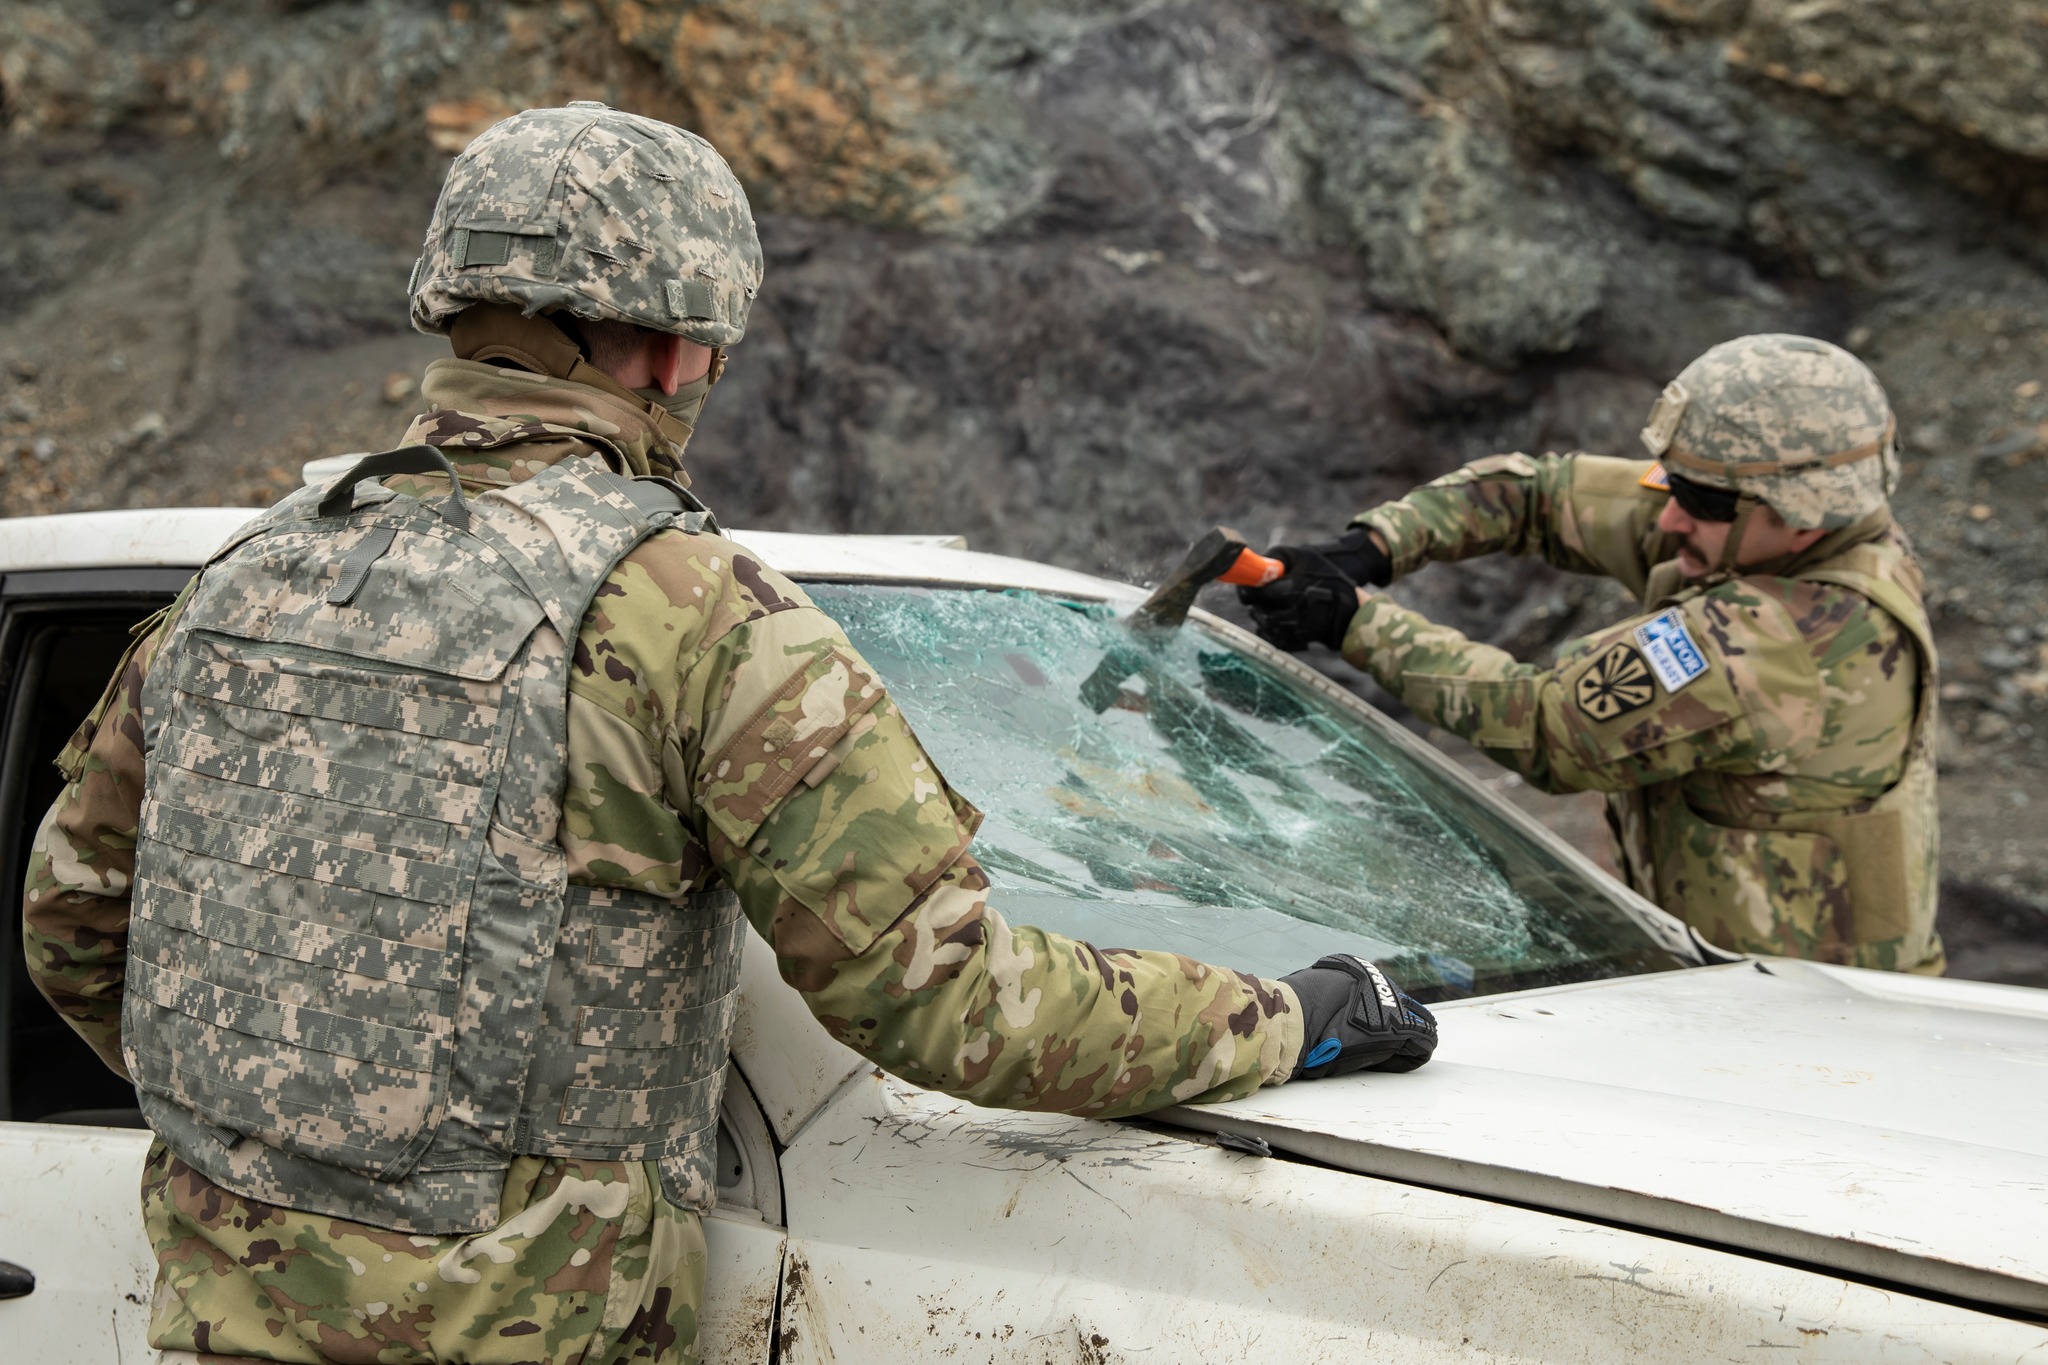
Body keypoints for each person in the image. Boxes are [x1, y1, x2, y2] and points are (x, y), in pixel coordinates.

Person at [21, 105, 1435, 1365]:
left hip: (225, 1317)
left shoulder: (248, 579)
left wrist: (289, 1118)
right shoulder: (687, 609)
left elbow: (75, 925)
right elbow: (956, 1005)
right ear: (682, 345)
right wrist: (1288, 1016)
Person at [1239, 333, 1943, 975]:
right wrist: (1376, 545)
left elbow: (1546, 724)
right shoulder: (1773, 525)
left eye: (1697, 497)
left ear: (1801, 514)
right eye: (1673, 484)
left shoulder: (1785, 641)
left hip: (1809, 1023)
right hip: (1730, 976)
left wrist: (1354, 620)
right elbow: (1541, 496)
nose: (1669, 515)